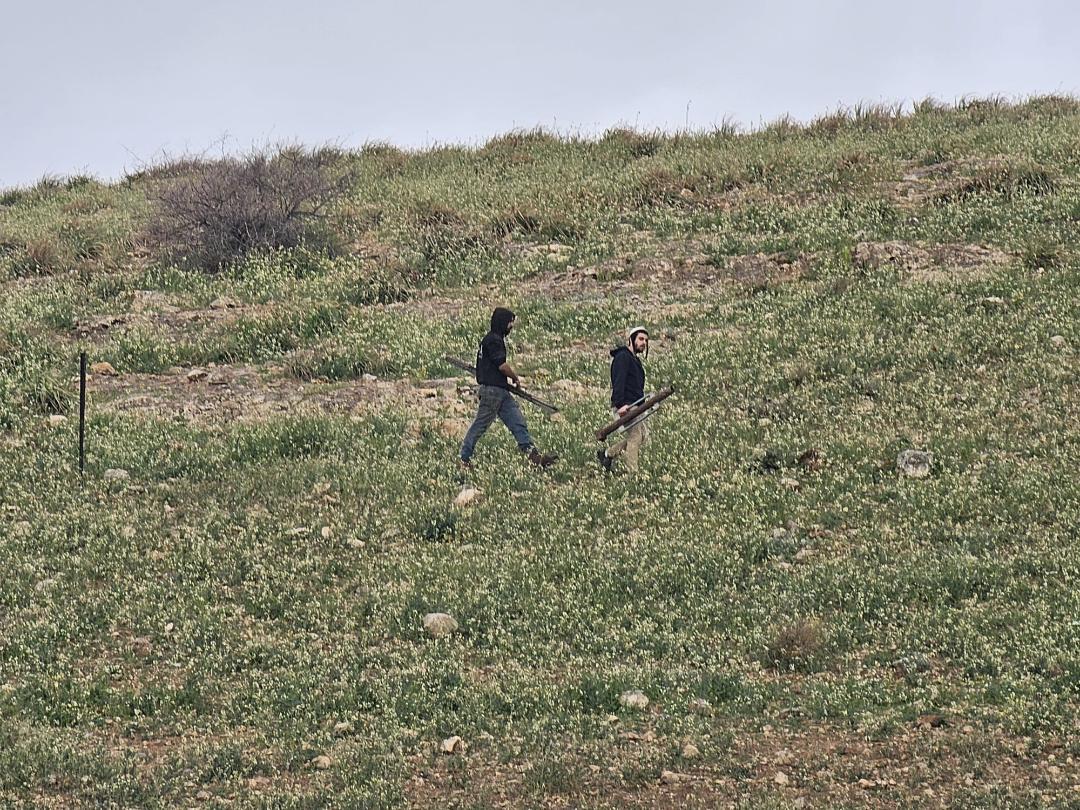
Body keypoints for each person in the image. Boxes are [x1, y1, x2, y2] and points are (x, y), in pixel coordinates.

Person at [460, 307, 558, 468]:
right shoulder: (494, 341)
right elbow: (502, 366)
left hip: (501, 391)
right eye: (510, 323)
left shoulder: (491, 339)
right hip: (492, 391)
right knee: (480, 425)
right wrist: (515, 377)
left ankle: (533, 455)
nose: (511, 326)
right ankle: (464, 458)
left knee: (517, 422)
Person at [598, 325, 649, 472]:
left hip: (636, 405)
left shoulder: (635, 361)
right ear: (631, 339)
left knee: (642, 436)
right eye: (640, 339)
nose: (643, 343)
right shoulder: (622, 357)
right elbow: (618, 382)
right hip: (626, 405)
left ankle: (607, 454)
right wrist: (620, 405)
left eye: (645, 340)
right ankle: (633, 473)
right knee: (635, 437)